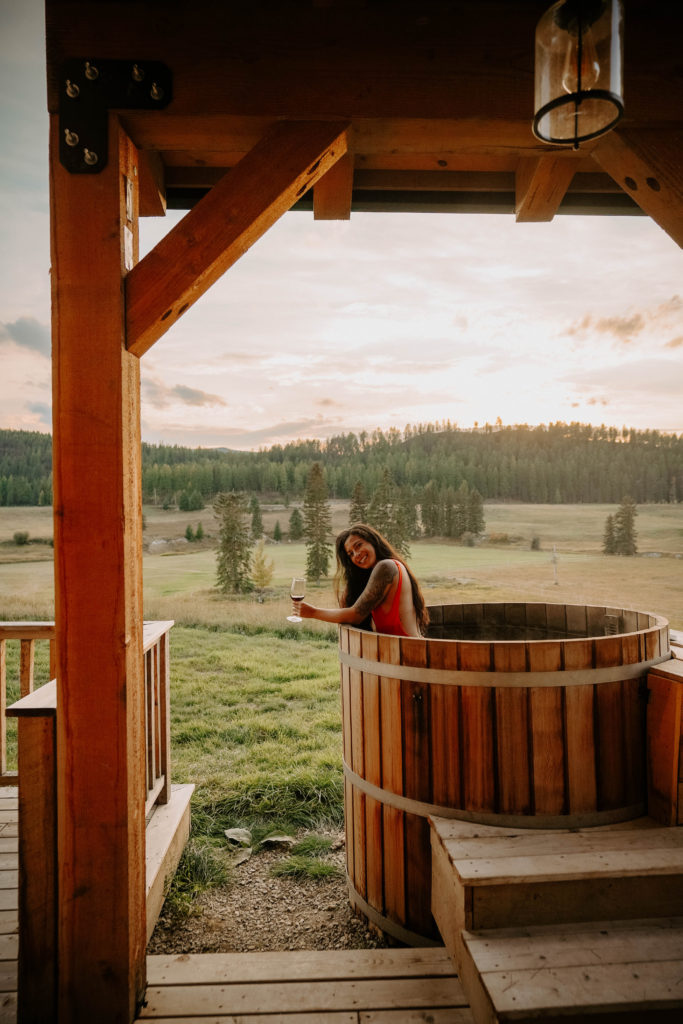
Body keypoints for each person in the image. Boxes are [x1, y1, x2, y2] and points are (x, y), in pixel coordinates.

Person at [294, 524, 429, 637]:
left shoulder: (386, 567)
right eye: (350, 554)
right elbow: (346, 605)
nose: (356, 555)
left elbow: (355, 615)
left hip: (410, 654)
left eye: (358, 545)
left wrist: (312, 612)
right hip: (400, 653)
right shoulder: (382, 569)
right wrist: (353, 575)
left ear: (372, 541)